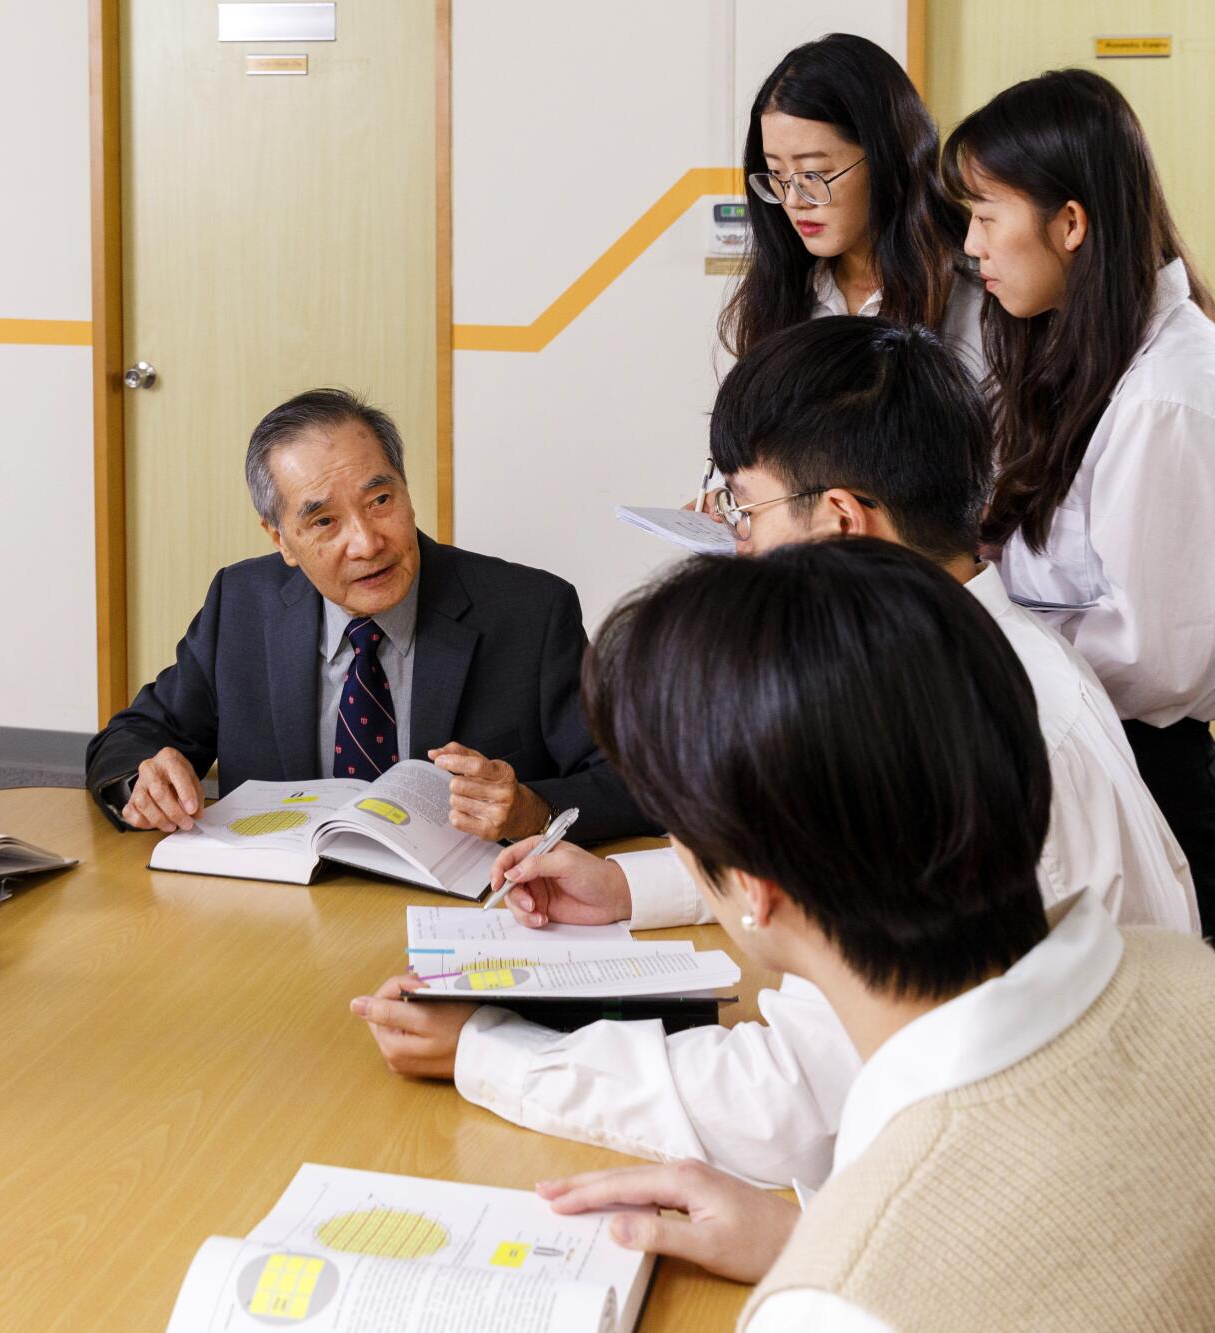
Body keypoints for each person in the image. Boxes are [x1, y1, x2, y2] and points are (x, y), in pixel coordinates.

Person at [355, 318, 1196, 1192]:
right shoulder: (994, 648)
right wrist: (626, 889)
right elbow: (832, 859)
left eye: (743, 509)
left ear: (840, 521)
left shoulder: (916, 718)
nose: (737, 544)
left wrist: (489, 1052)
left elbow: (789, 1110)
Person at [528, 545, 1215, 1328]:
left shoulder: (841, 1303)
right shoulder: (1188, 973)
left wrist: (835, 1263)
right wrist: (809, 1232)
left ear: (755, 888)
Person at [86, 388, 650, 843]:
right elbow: (130, 737)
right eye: (324, 522)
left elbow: (635, 784)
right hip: (279, 917)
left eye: (381, 501)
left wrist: (533, 811)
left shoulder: (530, 611)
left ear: (406, 490)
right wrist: (144, 778)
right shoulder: (242, 603)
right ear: (281, 538)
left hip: (457, 914)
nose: (366, 543)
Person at [944, 69, 1215, 929]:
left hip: (1140, 765)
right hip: (1074, 741)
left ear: (1070, 224)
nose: (972, 247)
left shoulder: (1169, 394)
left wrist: (978, 633)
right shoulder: (1082, 349)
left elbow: (1156, 655)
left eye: (987, 217)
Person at [697, 32, 982, 505]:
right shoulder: (785, 294)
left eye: (813, 174)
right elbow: (749, 457)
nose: (793, 200)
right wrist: (723, 498)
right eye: (776, 175)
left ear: (891, 156)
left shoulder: (978, 291)